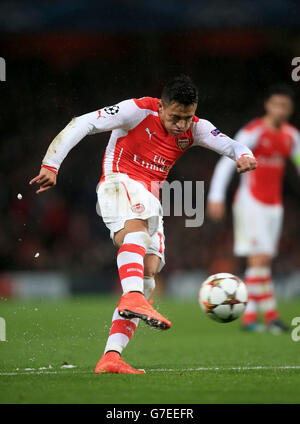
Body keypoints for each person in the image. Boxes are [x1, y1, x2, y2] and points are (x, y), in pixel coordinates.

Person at [30, 75, 257, 373]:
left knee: (149, 272)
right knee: (135, 233)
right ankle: (132, 295)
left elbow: (230, 143)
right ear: (162, 106)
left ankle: (112, 355)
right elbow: (83, 123)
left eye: (187, 118)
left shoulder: (196, 127)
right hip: (118, 181)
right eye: (175, 117)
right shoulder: (136, 110)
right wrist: (51, 164)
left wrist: (244, 154)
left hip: (151, 198)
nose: (181, 125)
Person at [207, 85, 300, 334]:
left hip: (274, 206)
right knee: (258, 259)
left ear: (290, 110)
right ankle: (270, 317)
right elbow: (226, 162)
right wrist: (216, 195)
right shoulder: (253, 132)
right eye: (276, 104)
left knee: (263, 261)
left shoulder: (292, 136)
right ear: (267, 106)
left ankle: (252, 318)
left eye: (285, 106)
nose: (281, 109)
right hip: (251, 201)